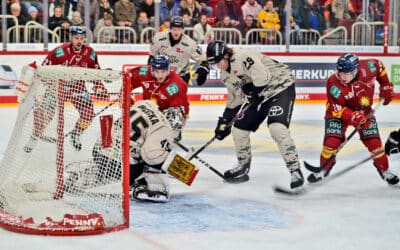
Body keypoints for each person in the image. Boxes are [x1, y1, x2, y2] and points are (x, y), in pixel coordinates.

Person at [205, 40, 304, 189]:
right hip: (261, 96)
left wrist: (254, 93)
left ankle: (295, 170)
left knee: (277, 128)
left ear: (226, 55)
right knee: (238, 130)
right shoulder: (225, 75)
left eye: (218, 62)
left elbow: (263, 77)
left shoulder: (243, 56)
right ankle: (243, 165)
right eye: (214, 65)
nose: (218, 67)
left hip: (280, 88)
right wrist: (224, 121)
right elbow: (234, 99)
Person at [307, 53, 399, 185]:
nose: (342, 76)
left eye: (346, 73)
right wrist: (352, 116)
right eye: (340, 72)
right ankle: (323, 170)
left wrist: (385, 85)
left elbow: (380, 66)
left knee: (375, 145)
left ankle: (385, 171)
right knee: (331, 143)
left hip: (365, 112)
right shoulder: (333, 83)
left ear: (355, 70)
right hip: (338, 115)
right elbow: (335, 107)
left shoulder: (368, 67)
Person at [24, 26, 109, 153]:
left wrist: (99, 88)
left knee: (88, 114)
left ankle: (76, 133)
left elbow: (95, 73)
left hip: (78, 89)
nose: (79, 41)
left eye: (81, 38)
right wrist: (50, 84)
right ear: (71, 38)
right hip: (57, 89)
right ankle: (34, 137)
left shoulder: (90, 53)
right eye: (76, 38)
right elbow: (44, 71)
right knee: (44, 116)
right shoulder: (59, 52)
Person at [91, 100, 180, 202]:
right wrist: (165, 157)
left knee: (137, 147)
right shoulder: (164, 128)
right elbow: (151, 157)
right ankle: (145, 186)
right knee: (154, 160)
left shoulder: (146, 104)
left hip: (100, 149)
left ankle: (98, 173)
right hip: (117, 163)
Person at [128, 54, 189, 141]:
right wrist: (128, 103)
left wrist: (174, 127)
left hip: (165, 113)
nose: (159, 76)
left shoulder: (176, 85)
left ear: (168, 70)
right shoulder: (144, 72)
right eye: (157, 72)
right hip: (147, 110)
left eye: (163, 72)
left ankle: (168, 136)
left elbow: (180, 111)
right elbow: (126, 82)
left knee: (175, 115)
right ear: (152, 69)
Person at [148, 16, 210, 86]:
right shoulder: (159, 38)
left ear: (183, 30)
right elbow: (152, 58)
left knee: (176, 96)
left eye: (179, 29)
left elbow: (204, 60)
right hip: (162, 75)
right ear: (170, 29)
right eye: (174, 29)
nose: (176, 32)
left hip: (181, 76)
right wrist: (151, 73)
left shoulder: (190, 43)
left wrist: (203, 70)